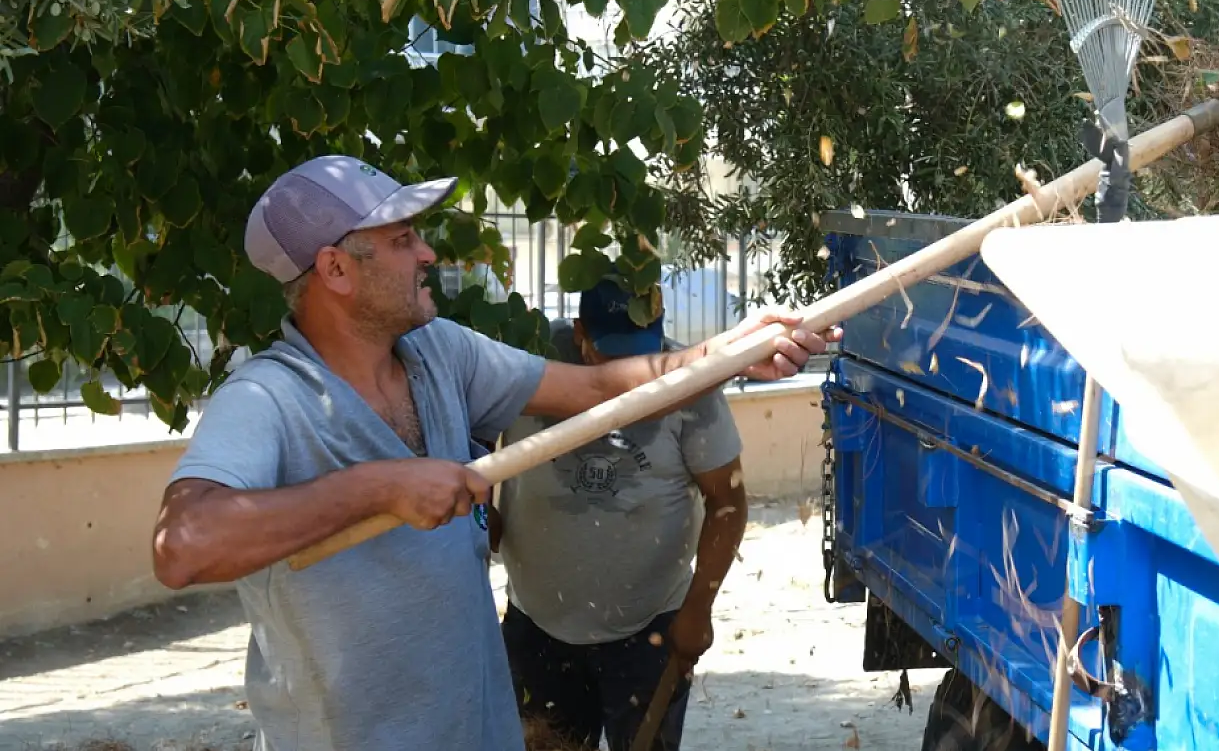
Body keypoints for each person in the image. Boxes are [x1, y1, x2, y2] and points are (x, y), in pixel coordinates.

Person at [147, 155, 835, 751]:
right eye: (403, 239)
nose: (428, 255)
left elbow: (598, 386)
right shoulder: (268, 398)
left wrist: (731, 352)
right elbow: (184, 544)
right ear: (335, 269)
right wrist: (378, 488)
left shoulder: (440, 354)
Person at [489, 279, 746, 751]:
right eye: (613, 353)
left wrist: (697, 610)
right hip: (540, 626)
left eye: (640, 348)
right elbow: (476, 449)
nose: (631, 368)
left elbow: (728, 503)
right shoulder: (529, 366)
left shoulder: (685, 380)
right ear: (581, 332)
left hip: (649, 630)